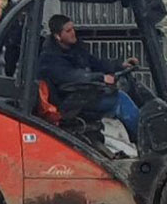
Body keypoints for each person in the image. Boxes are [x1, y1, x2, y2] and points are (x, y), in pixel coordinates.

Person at [37, 15, 141, 143]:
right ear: (58, 36)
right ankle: (144, 139)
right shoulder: (50, 58)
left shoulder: (74, 49)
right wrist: (101, 77)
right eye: (68, 31)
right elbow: (72, 76)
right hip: (70, 102)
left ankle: (134, 140)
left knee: (125, 90)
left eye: (73, 29)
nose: (73, 33)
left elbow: (95, 63)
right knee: (120, 100)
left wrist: (120, 65)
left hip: (82, 95)